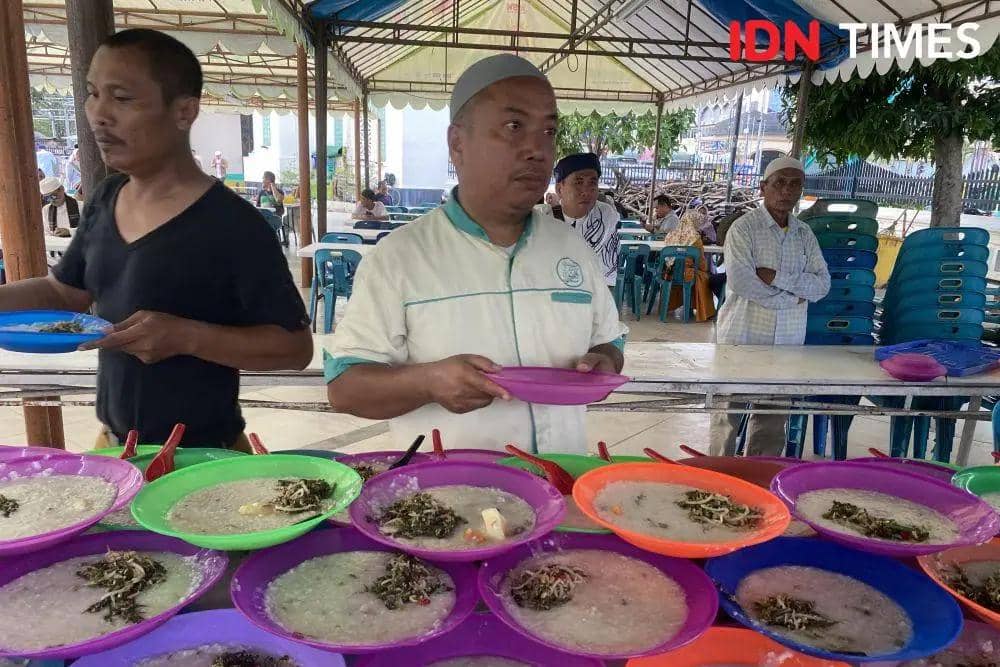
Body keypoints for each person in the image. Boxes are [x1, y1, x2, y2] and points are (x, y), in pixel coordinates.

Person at [0, 29, 312, 449]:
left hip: (203, 459)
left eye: (122, 98)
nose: (98, 114)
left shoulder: (233, 224)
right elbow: (64, 292)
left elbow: (294, 348)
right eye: (93, 93)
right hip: (114, 448)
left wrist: (187, 336)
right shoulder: (105, 199)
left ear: (184, 111)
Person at [324, 54, 626, 453]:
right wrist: (427, 382)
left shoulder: (570, 247)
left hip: (560, 490)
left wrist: (603, 363)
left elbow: (610, 342)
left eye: (549, 131)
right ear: (457, 143)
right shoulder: (400, 257)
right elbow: (345, 386)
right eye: (514, 126)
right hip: (448, 504)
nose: (538, 149)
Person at [711, 156, 830, 456]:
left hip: (787, 344)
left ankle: (758, 483)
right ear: (764, 187)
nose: (786, 191)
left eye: (795, 185)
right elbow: (741, 282)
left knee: (772, 422)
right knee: (727, 416)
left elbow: (822, 285)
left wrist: (775, 277)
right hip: (742, 337)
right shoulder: (744, 229)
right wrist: (793, 296)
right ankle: (717, 479)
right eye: (779, 183)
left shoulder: (805, 234)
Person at [551, 153, 621, 290]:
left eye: (592, 183)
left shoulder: (605, 217)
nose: (586, 191)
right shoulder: (543, 218)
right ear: (560, 189)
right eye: (579, 182)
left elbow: (607, 274)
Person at [658, 209, 717, 322]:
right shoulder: (695, 238)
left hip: (669, 273)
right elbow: (701, 263)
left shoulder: (671, 233)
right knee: (703, 276)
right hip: (687, 275)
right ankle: (705, 312)